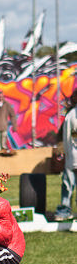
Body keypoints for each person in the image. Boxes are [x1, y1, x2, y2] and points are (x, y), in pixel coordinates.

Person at [54, 88, 77, 221]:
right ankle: (64, 209)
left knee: (68, 183)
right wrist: (61, 151)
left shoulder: (71, 114)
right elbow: (62, 136)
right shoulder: (71, 115)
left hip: (71, 156)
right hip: (72, 156)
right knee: (68, 184)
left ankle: (65, 208)